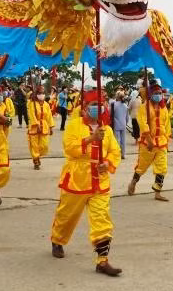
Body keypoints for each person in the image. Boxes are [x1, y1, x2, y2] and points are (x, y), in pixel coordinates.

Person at [50, 89, 123, 276]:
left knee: (102, 220)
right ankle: (57, 240)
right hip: (77, 178)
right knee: (66, 215)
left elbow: (115, 152)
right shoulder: (73, 125)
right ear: (85, 108)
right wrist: (91, 138)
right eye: (93, 105)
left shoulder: (106, 129)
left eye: (100, 105)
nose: (98, 108)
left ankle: (102, 261)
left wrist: (106, 164)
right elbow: (70, 148)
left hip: (100, 182)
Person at [128, 81, 171, 201]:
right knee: (142, 166)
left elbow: (167, 125)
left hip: (161, 142)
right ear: (150, 94)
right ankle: (133, 182)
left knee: (162, 168)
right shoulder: (144, 107)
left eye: (160, 93)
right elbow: (142, 123)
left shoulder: (164, 108)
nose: (158, 95)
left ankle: (157, 192)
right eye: (156, 93)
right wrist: (149, 139)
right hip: (147, 143)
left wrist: (167, 139)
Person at [27, 85, 53, 170]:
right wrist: (36, 124)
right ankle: (36, 160)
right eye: (40, 93)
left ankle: (38, 156)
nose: (42, 94)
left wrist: (51, 127)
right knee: (34, 145)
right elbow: (31, 115)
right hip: (34, 127)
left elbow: (49, 116)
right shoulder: (32, 103)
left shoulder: (46, 104)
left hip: (44, 127)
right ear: (36, 94)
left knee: (44, 145)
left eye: (43, 93)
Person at [110, 90, 129, 159]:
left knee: (117, 140)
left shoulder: (114, 105)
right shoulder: (125, 105)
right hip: (123, 124)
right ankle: (123, 154)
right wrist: (126, 122)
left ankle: (117, 154)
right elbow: (127, 117)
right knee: (123, 140)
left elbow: (111, 114)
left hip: (116, 124)